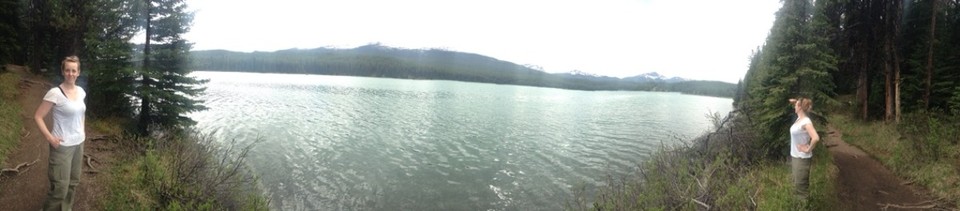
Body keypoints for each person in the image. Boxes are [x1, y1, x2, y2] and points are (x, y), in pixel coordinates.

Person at [34, 55, 87, 211]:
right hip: (62, 147)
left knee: (73, 182)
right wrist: (50, 138)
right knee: (60, 188)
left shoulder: (81, 91)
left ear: (78, 72)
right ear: (63, 72)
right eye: (68, 70)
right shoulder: (55, 93)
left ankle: (66, 208)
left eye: (74, 70)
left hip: (79, 144)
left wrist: (82, 130)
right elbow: (38, 116)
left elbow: (81, 113)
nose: (71, 73)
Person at [788, 97, 819, 199]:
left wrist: (808, 149)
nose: (794, 107)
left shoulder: (806, 122)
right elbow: (801, 102)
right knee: (796, 184)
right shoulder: (799, 119)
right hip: (796, 157)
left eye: (796, 105)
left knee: (801, 189)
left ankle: (804, 206)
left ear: (800, 107)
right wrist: (795, 101)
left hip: (802, 158)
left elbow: (815, 138)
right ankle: (798, 205)